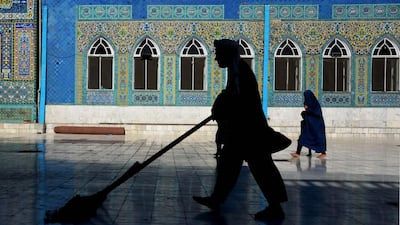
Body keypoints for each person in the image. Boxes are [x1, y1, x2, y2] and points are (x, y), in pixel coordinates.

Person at [192, 39, 288, 221]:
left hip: (250, 133)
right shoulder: (236, 71)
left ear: (227, 55)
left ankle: (275, 207)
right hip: (241, 132)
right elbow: (231, 98)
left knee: (262, 169)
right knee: (228, 166)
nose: (216, 59)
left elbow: (240, 102)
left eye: (218, 55)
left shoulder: (241, 73)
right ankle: (217, 199)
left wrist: (223, 106)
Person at [290, 90, 327, 159]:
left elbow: (316, 114)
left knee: (318, 139)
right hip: (309, 125)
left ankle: (323, 153)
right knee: (302, 138)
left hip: (317, 126)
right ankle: (297, 153)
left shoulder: (315, 104)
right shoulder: (309, 103)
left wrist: (308, 110)